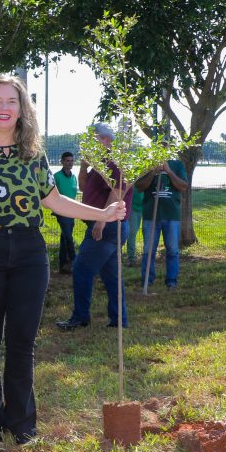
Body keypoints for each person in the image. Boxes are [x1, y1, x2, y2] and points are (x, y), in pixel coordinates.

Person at [0, 76, 126, 445]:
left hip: (30, 255)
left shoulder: (33, 154)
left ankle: (22, 423)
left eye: (12, 101)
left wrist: (102, 214)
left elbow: (54, 201)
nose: (4, 107)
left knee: (22, 341)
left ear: (21, 110)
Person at [56, 122, 134, 331]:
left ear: (107, 140)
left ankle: (80, 317)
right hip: (107, 225)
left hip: (108, 225)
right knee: (111, 275)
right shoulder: (99, 164)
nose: (89, 142)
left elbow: (118, 192)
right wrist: (83, 166)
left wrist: (100, 221)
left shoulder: (116, 162)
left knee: (81, 268)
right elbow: (83, 186)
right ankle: (119, 319)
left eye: (95, 138)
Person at [136, 158, 188, 289]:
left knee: (173, 250)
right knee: (148, 251)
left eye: (166, 144)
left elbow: (183, 186)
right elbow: (140, 186)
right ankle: (147, 279)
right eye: (160, 144)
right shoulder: (147, 163)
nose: (163, 147)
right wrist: (153, 172)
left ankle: (171, 281)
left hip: (171, 216)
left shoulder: (177, 165)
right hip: (150, 216)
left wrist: (169, 171)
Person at [53, 151, 79, 273]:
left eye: (71, 161)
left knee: (64, 237)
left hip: (72, 211)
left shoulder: (74, 177)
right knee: (69, 237)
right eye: (67, 161)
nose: (70, 163)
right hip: (61, 211)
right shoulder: (56, 176)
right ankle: (74, 261)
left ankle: (63, 265)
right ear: (62, 162)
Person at [126, 187, 143, 266]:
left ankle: (147, 256)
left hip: (144, 206)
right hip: (132, 207)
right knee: (131, 233)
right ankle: (131, 259)